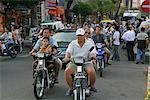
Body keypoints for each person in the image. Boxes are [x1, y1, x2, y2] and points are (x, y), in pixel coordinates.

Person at [64, 28, 97, 96]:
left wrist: (92, 56)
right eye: (78, 35)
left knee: (91, 71)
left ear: (84, 35)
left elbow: (93, 52)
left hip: (86, 62)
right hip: (75, 63)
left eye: (81, 35)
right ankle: (70, 88)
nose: (79, 37)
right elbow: (68, 52)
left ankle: (92, 85)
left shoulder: (89, 43)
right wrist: (67, 57)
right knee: (67, 71)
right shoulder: (73, 43)